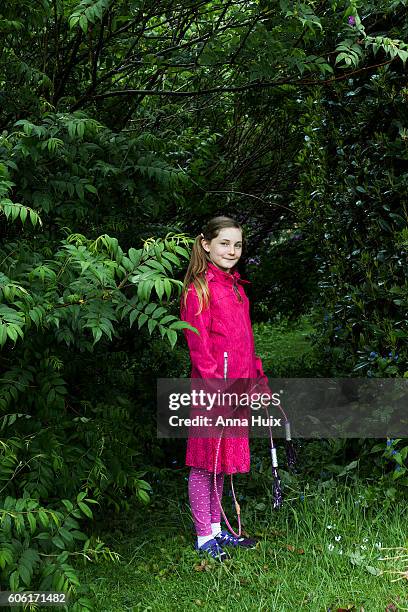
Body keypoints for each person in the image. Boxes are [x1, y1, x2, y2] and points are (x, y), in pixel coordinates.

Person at [180, 215, 272, 562]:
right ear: (206, 244)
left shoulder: (236, 288)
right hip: (214, 391)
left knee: (220, 463)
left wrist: (257, 378)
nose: (232, 250)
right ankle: (205, 538)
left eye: (237, 244)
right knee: (204, 463)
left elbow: (244, 342)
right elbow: (199, 347)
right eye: (224, 243)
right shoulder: (199, 289)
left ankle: (219, 532)